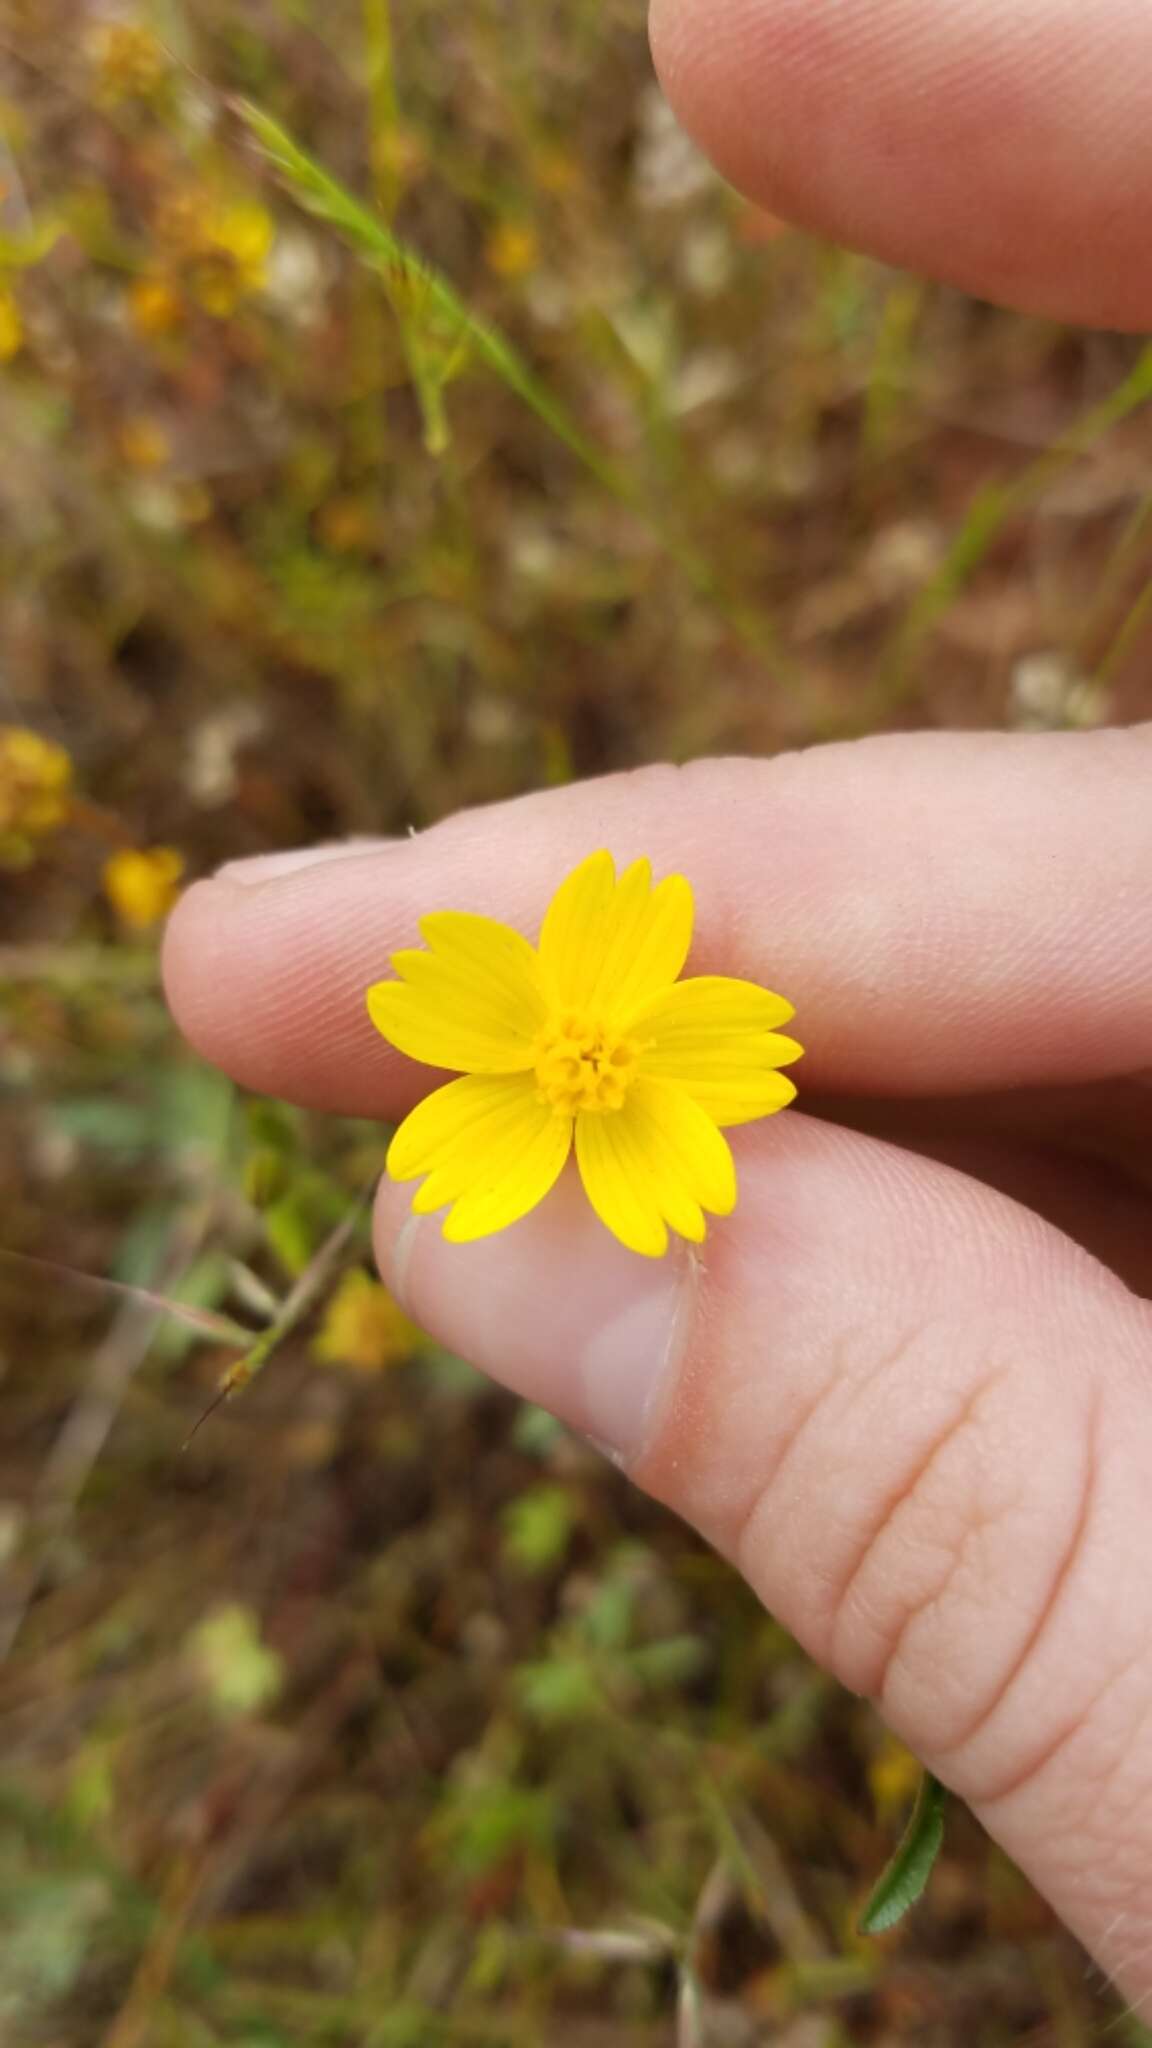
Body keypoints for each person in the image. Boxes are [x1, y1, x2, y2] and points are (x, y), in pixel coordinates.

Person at [163, 0, 1152, 1999]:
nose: (579, 1051)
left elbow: (697, 1064)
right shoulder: (508, 1072)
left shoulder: (646, 1056)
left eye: (587, 1045)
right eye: (570, 1048)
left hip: (661, 1113)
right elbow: (482, 1105)